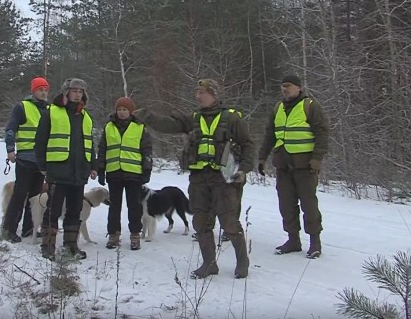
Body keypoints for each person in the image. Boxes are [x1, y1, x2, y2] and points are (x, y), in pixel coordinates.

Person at [134, 79, 255, 279]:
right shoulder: (193, 119)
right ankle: (209, 264)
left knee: (230, 223)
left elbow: (248, 145)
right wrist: (147, 116)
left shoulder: (232, 119)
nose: (198, 96)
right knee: (201, 224)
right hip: (199, 179)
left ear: (214, 94)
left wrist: (243, 170)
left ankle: (242, 262)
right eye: (197, 92)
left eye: (203, 92)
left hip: (224, 180)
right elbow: (169, 125)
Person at [258, 75, 329, 259]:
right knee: (286, 205)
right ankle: (293, 240)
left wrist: (317, 158)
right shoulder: (278, 108)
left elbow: (322, 133)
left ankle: (315, 242)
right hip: (283, 165)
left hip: (305, 165)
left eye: (288, 86)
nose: (285, 89)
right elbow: (270, 135)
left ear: (298, 88)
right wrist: (262, 157)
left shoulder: (310, 106)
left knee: (309, 204)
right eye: (282, 86)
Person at [34, 78, 98, 260]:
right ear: (66, 92)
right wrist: (42, 166)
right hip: (58, 170)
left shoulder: (85, 116)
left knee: (74, 210)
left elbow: (89, 143)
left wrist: (93, 165)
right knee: (53, 209)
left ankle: (71, 246)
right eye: (74, 90)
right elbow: (40, 141)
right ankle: (48, 246)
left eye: (80, 91)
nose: (77, 94)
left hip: (79, 172)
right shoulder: (51, 112)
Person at [97, 97, 152, 251]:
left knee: (134, 205)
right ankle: (113, 234)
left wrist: (146, 169)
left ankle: (135, 234)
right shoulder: (109, 127)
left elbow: (147, 150)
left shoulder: (140, 127)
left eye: (124, 109)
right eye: (119, 109)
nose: (121, 112)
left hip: (133, 173)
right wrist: (101, 169)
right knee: (114, 206)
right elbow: (102, 149)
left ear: (130, 111)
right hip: (114, 172)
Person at [1, 77, 50, 243]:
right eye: (40, 89)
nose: (43, 93)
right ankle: (9, 230)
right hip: (25, 158)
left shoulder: (49, 109)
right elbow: (10, 129)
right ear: (33, 91)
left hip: (42, 159)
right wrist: (10, 150)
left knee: (35, 196)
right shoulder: (22, 107)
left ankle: (29, 229)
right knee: (20, 194)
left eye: (45, 90)